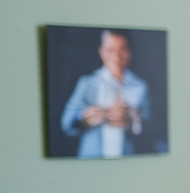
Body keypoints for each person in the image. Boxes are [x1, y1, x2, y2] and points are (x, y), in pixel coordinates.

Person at [60, 29, 150, 158]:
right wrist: (85, 118)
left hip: (128, 161)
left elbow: (153, 128)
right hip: (92, 162)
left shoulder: (140, 87)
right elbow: (67, 123)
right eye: (111, 50)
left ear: (129, 52)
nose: (116, 56)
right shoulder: (88, 83)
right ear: (102, 52)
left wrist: (134, 121)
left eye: (122, 50)